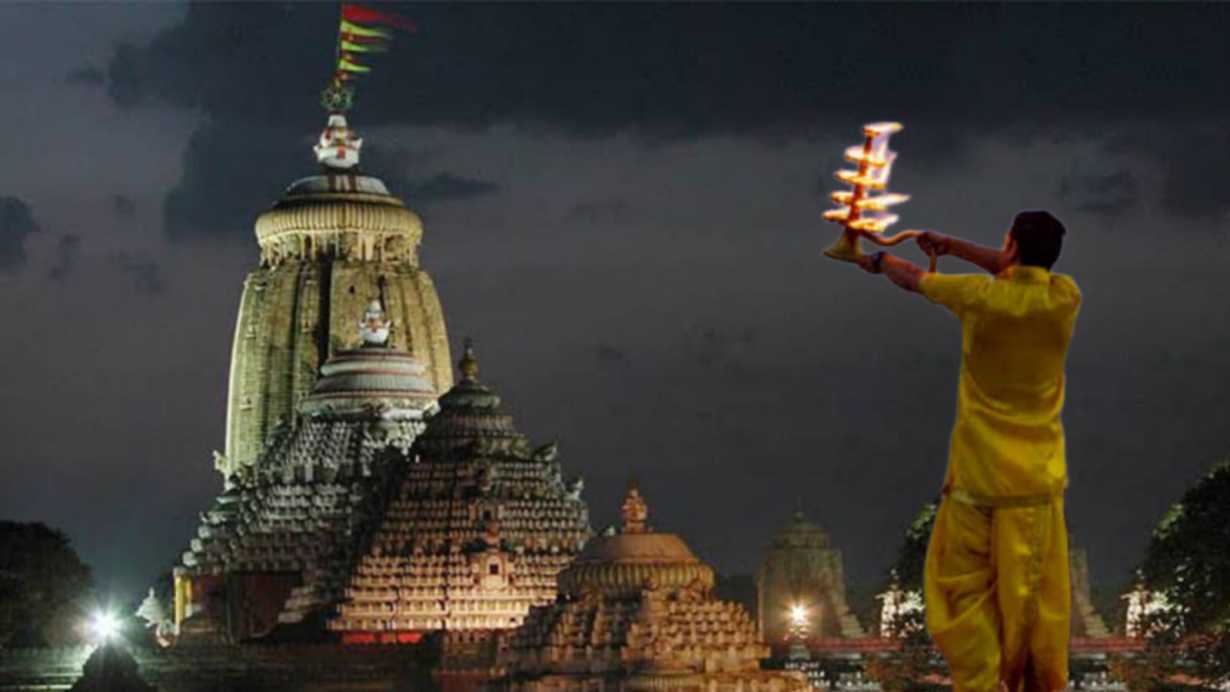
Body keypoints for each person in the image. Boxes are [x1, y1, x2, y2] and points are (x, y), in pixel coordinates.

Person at [855, 211, 1081, 692]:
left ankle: (979, 681)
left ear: (1012, 246)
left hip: (977, 477)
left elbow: (913, 279)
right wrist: (951, 246)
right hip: (1037, 481)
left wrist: (874, 258)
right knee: (1034, 601)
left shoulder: (979, 297)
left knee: (959, 589)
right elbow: (1009, 268)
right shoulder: (1065, 297)